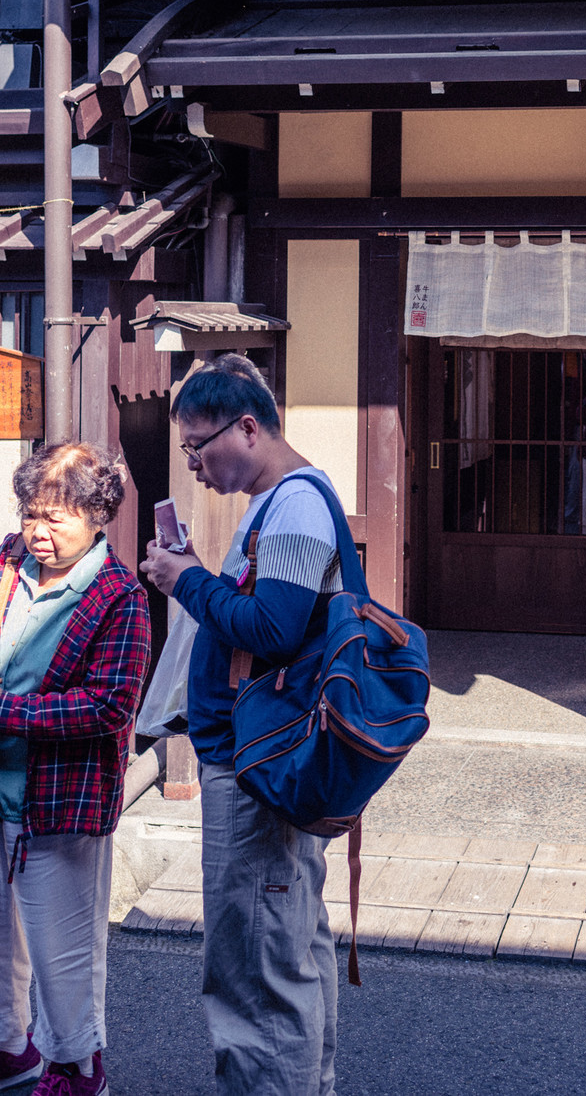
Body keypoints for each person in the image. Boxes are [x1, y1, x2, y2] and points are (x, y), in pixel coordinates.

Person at [141, 354, 343, 1096]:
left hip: (259, 761)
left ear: (249, 425)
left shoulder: (293, 504)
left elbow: (277, 628)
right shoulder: (282, 502)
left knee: (256, 968)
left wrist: (185, 580)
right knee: (293, 948)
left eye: (200, 445)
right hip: (273, 754)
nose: (193, 462)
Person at [0, 442, 150, 1096]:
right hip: (3, 791)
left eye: (55, 517)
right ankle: (10, 1050)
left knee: (64, 956)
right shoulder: (9, 566)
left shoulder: (120, 595)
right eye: (32, 512)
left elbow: (111, 703)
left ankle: (76, 1068)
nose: (38, 529)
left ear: (97, 516)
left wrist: (10, 712)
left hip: (64, 800)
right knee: (1, 943)